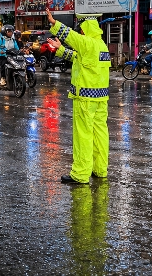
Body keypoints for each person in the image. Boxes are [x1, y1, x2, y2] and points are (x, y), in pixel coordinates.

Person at [45, 10, 111, 185]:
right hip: (101, 100)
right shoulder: (101, 45)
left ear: (85, 28)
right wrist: (61, 50)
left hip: (85, 99)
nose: (80, 31)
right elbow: (77, 57)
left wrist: (54, 23)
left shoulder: (87, 43)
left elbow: (71, 36)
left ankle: (80, 174)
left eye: (81, 28)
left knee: (83, 136)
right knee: (100, 135)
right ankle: (100, 169)